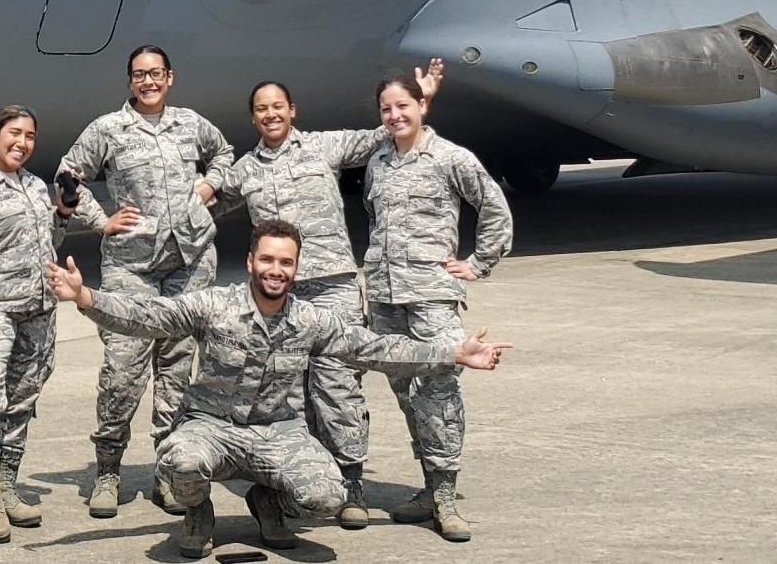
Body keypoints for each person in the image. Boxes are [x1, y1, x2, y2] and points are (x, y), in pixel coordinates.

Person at [45, 220, 511, 559]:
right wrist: (85, 298)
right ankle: (199, 511)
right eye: (267, 259)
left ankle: (266, 499)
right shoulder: (216, 305)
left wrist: (451, 353)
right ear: (250, 261)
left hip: (277, 434)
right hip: (211, 428)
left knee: (329, 498)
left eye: (285, 262)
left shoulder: (309, 320)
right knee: (179, 461)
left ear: (295, 268)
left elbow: (373, 347)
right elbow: (152, 317)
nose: (276, 269)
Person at [207, 61, 443, 529]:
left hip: (333, 286)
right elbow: (208, 204)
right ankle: (301, 480)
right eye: (261, 109)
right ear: (253, 117)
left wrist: (425, 98)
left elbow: (387, 131)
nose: (270, 114)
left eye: (278, 106)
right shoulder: (245, 169)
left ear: (292, 110)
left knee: (338, 386)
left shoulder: (324, 146)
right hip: (281, 297)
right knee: (290, 392)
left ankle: (350, 481)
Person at [56, 44, 233, 517]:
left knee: (177, 368)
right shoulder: (109, 129)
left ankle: (168, 471)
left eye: (156, 74)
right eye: (139, 75)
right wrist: (99, 220)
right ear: (129, 81)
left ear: (170, 78)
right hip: (131, 266)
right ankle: (108, 469)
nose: (148, 82)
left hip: (190, 262)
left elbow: (225, 154)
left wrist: (210, 183)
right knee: (123, 369)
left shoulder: (192, 124)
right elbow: (67, 175)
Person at [363, 72, 514, 543]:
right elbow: (375, 219)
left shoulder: (450, 157)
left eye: (403, 106)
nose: (395, 116)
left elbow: (493, 206)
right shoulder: (378, 162)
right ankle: (428, 489)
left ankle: (445, 495)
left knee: (439, 393)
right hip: (386, 298)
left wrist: (478, 263)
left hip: (430, 296)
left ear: (422, 106)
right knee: (406, 393)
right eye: (386, 109)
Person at [0, 105, 88, 543]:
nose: (22, 143)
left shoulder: (32, 184)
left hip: (39, 308)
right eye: (14, 133)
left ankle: (9, 485)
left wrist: (63, 212)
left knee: (21, 401)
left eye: (30, 135)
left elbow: (48, 241)